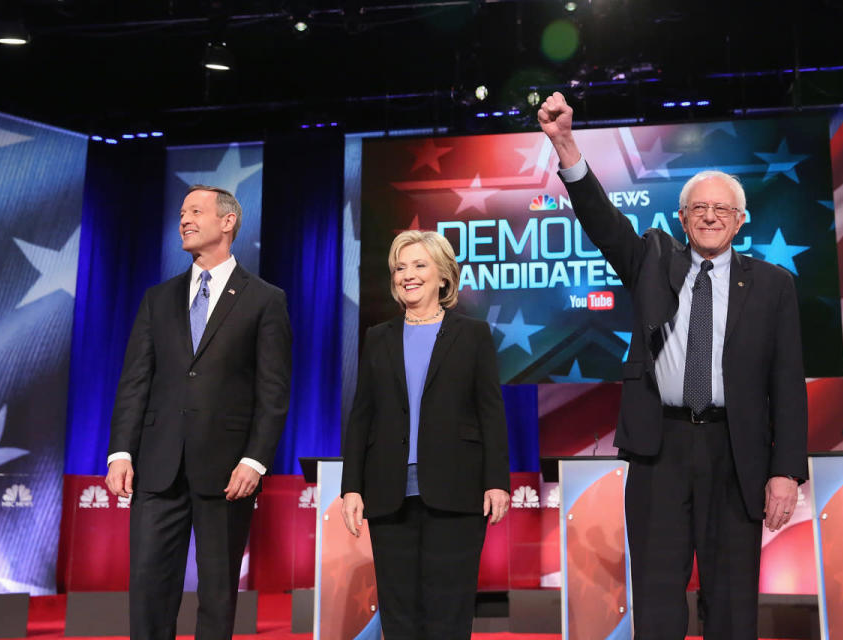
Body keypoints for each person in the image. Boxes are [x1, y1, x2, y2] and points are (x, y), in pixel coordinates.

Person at [538, 93, 808, 639]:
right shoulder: (652, 260)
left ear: (740, 220)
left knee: (732, 602)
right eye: (699, 208)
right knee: (658, 599)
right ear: (682, 217)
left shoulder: (773, 285)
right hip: (660, 449)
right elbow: (602, 222)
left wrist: (785, 471)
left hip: (737, 454)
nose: (711, 216)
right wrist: (566, 145)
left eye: (722, 209)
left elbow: (787, 384)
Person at [104, 185, 291, 640]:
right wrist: (120, 453)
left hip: (227, 470)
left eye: (195, 211)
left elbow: (274, 389)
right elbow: (135, 381)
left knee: (218, 592)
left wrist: (255, 460)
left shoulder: (265, 299)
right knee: (148, 587)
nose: (184, 220)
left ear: (227, 222)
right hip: (156, 464)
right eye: (182, 212)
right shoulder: (158, 299)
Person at [340, 230, 511, 640]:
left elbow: (490, 412)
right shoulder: (377, 337)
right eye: (400, 267)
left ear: (443, 277)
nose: (407, 275)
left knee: (448, 613)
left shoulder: (472, 334)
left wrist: (496, 482)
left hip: (458, 492)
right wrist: (352, 487)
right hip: (388, 493)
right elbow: (361, 416)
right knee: (398, 614)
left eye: (419, 265)